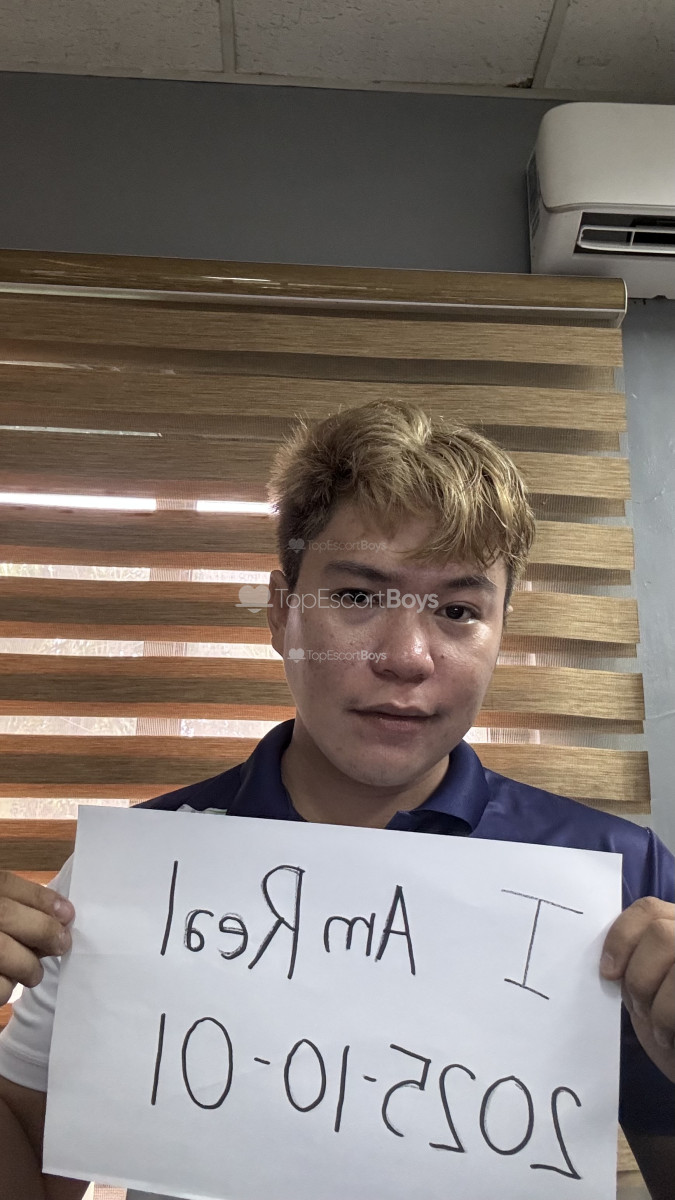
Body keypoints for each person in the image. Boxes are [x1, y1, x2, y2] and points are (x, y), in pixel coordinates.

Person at [0, 400, 673, 1200]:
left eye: (458, 611)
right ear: (281, 612)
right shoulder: (132, 877)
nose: (407, 657)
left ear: (499, 631)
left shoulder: (616, 877)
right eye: (357, 598)